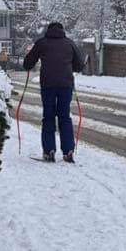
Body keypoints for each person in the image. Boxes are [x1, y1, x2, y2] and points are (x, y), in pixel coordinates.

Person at [23, 21, 85, 163]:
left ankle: (49, 151)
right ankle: (68, 151)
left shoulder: (42, 43)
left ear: (48, 30)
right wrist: (69, 66)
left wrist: (29, 58)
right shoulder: (69, 43)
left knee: (48, 116)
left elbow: (27, 64)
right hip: (66, 85)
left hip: (48, 85)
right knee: (64, 116)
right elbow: (79, 65)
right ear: (62, 31)